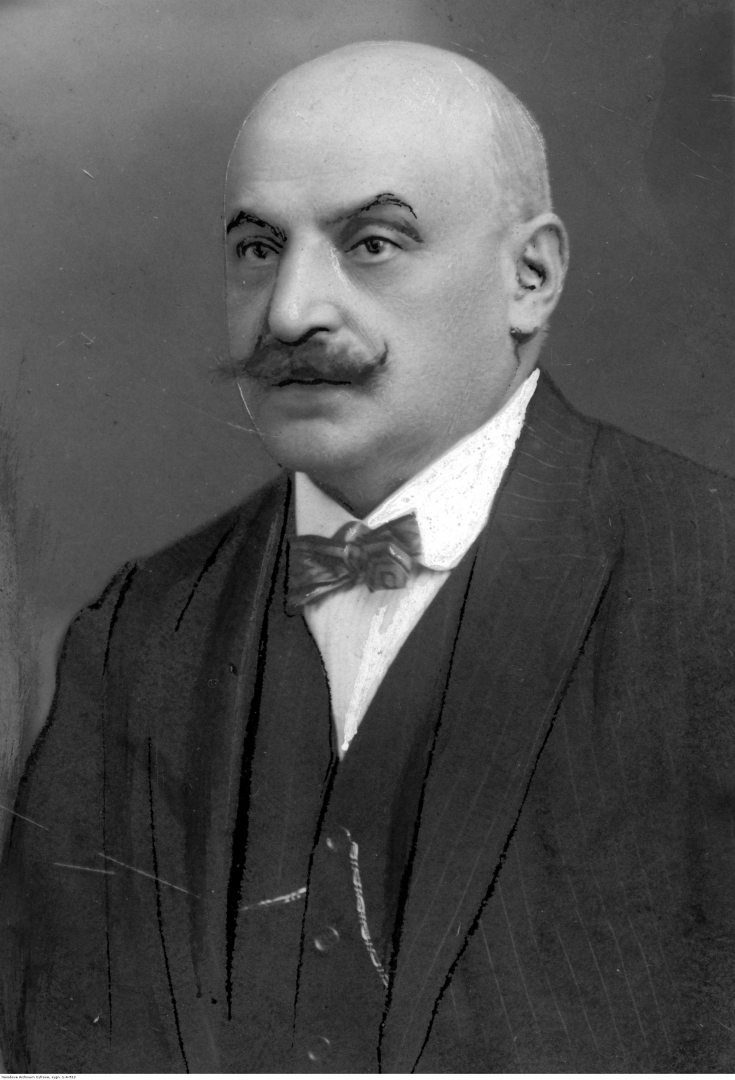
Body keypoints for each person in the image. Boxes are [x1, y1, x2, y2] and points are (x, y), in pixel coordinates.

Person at [2, 40, 735, 1074]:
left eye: (373, 243)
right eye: (258, 249)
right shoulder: (135, 635)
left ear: (530, 278)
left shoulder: (711, 578)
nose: (291, 310)